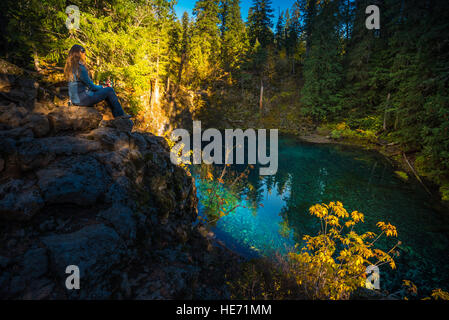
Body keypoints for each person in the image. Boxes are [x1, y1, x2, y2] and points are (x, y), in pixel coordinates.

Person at [64, 44, 131, 119]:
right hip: (82, 99)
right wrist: (103, 87)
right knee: (109, 90)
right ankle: (120, 115)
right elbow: (92, 86)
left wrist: (102, 87)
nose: (85, 56)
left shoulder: (70, 67)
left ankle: (118, 115)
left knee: (106, 91)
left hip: (75, 99)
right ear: (79, 54)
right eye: (84, 53)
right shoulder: (80, 68)